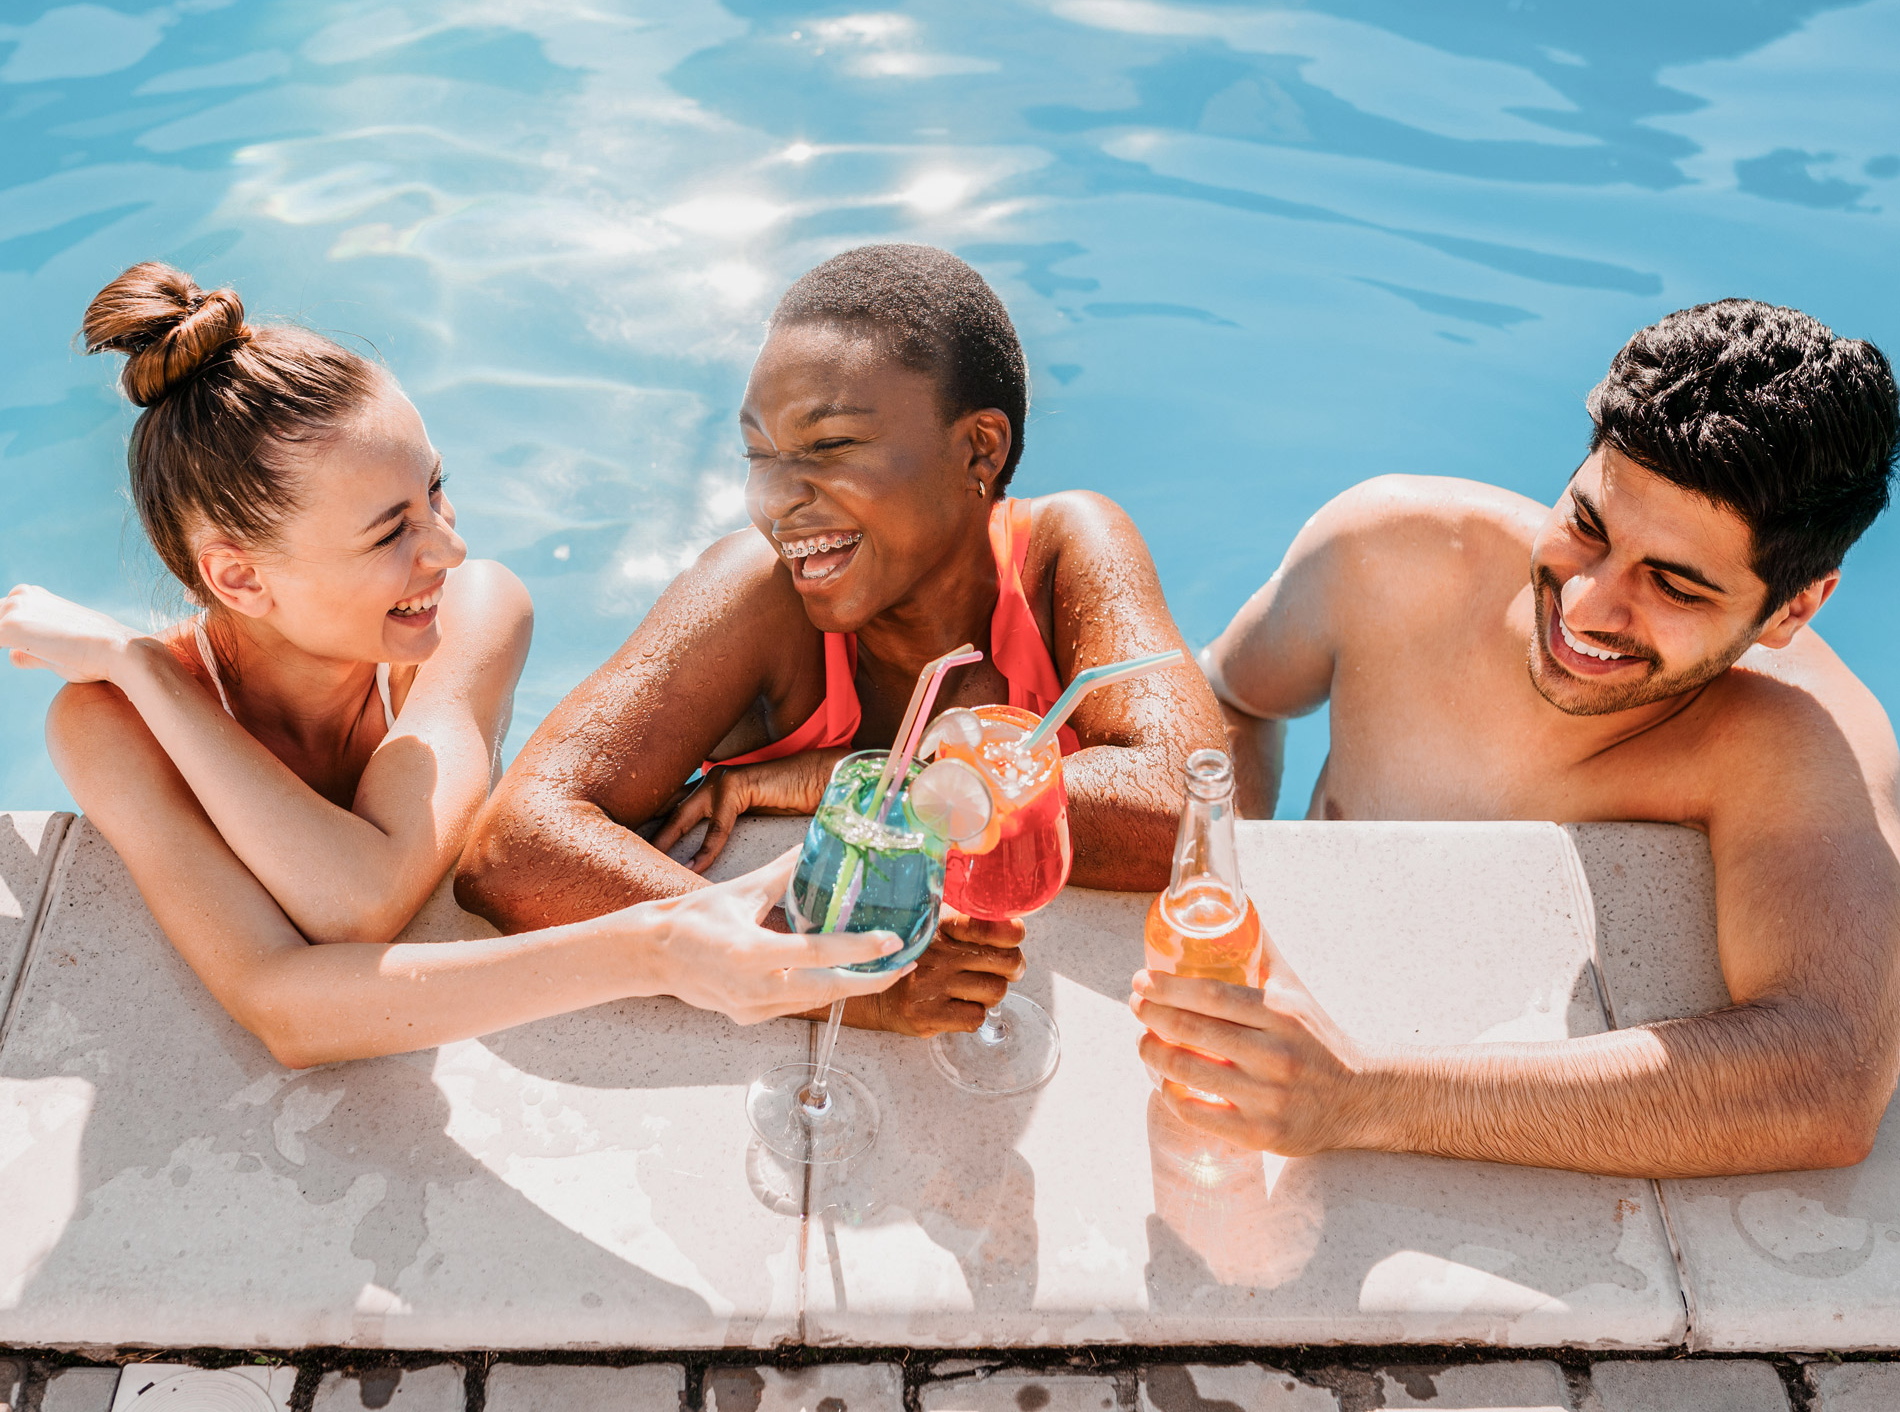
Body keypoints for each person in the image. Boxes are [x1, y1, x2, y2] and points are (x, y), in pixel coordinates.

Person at [0, 263, 909, 1068]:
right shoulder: (112, 721)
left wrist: (665, 938)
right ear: (238, 577)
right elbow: (289, 999)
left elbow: (363, 899)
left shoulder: (476, 611)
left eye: (433, 488)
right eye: (392, 531)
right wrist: (141, 670)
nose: (450, 545)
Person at [1135, 299, 1900, 1177]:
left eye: (1675, 588)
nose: (1584, 607)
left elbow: (1829, 1079)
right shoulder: (1388, 554)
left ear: (1794, 607)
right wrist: (1219, 871)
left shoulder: (1795, 743)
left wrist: (1366, 1095)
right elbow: (1233, 696)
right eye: (1588, 525)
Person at [458, 243, 1225, 1036]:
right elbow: (514, 848)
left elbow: (1180, 803)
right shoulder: (759, 591)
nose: (778, 497)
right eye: (760, 454)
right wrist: (821, 974)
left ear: (979, 450)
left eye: (830, 447)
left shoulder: (1062, 550)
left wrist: (840, 779)